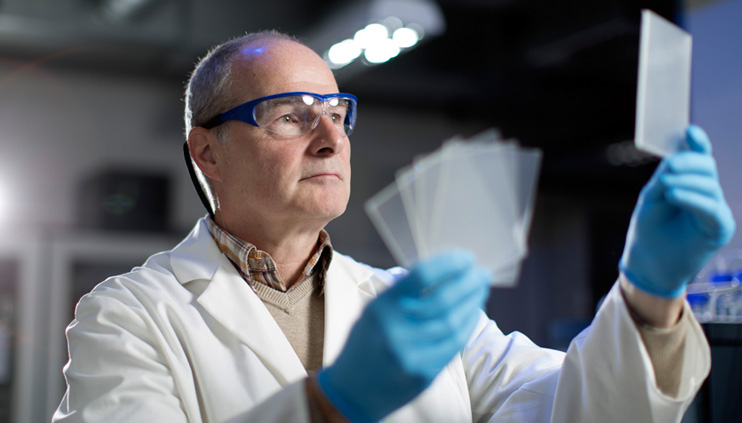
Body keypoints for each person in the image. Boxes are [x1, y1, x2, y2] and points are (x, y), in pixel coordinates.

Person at [52, 30, 735, 423]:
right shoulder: (128, 316)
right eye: (291, 115)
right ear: (209, 153)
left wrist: (650, 294)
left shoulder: (412, 306)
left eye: (337, 111)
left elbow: (578, 414)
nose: (330, 138)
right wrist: (329, 403)